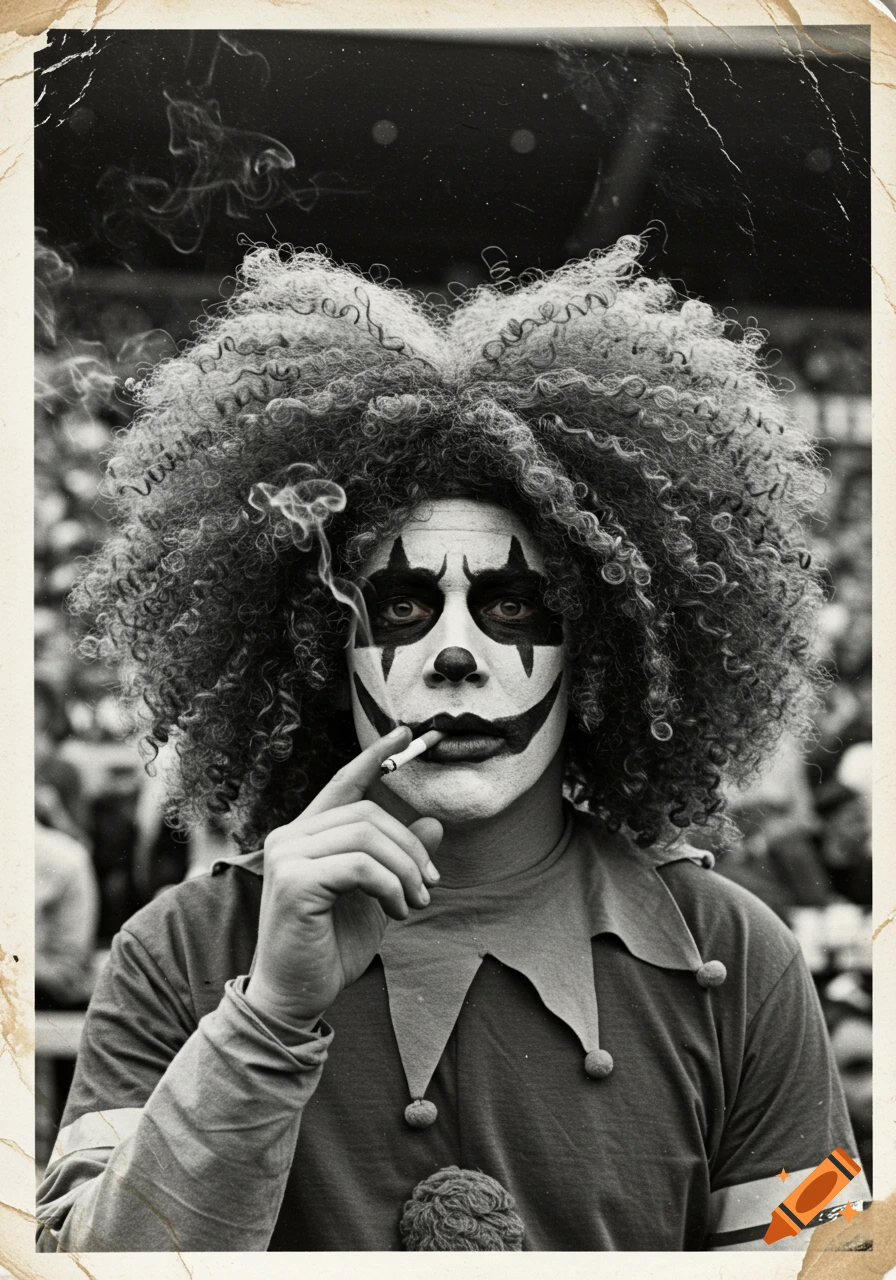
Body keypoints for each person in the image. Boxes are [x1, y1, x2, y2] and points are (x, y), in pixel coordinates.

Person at [36, 238, 869, 1251]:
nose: (457, 654)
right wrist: (264, 1021)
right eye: (399, 603)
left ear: (603, 645)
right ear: (312, 646)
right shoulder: (181, 952)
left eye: (515, 602)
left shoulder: (735, 960)